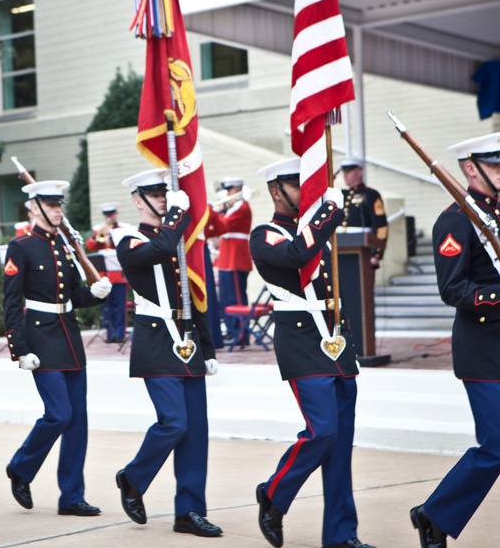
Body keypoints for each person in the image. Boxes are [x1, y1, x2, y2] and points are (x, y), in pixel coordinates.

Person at [409, 132, 500, 548]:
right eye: (493, 164)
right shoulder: (454, 220)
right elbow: (452, 289)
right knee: (497, 448)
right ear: (470, 169)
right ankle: (434, 513)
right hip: (484, 352)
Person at [248, 159, 373, 548]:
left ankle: (340, 534)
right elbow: (295, 255)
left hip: (335, 343)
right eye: (298, 186)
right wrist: (328, 213)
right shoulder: (264, 234)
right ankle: (273, 491)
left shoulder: (318, 230)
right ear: (276, 191)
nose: (310, 194)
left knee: (341, 446)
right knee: (323, 431)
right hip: (302, 342)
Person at [113, 168, 222, 538]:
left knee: (196, 433)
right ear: (137, 200)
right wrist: (177, 214)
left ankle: (189, 511)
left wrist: (207, 348)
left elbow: (194, 296)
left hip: (188, 341)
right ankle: (133, 476)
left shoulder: (179, 240)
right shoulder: (127, 239)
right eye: (154, 194)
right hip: (157, 341)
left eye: (165, 193)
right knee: (173, 422)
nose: (162, 198)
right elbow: (157, 249)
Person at [3, 180, 112, 516]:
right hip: (40, 339)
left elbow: (70, 295)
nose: (58, 210)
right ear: (33, 208)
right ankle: (21, 467)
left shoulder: (65, 245)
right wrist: (19, 349)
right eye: (51, 205)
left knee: (77, 420)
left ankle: (71, 496)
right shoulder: (20, 246)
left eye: (59, 204)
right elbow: (10, 301)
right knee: (59, 414)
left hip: (69, 339)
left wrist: (94, 293)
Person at [205, 177, 254, 340]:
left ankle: (240, 332)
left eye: (229, 190)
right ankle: (232, 329)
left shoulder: (242, 207)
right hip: (227, 258)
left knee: (236, 298)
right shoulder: (233, 207)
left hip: (236, 258)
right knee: (226, 298)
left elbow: (224, 224)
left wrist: (217, 211)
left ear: (236, 190)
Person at [86, 202, 130, 342]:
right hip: (104, 277)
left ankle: (120, 334)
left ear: (116, 214)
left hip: (119, 276)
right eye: (106, 215)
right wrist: (99, 235)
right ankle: (110, 334)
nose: (109, 217)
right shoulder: (99, 229)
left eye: (111, 214)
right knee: (107, 307)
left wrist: (113, 236)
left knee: (121, 308)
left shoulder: (123, 229)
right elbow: (90, 246)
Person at [338, 157, 388, 268]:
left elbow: (380, 226)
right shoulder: (341, 195)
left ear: (360, 172)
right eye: (344, 172)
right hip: (341, 249)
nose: (345, 175)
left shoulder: (370, 194)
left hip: (364, 249)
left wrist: (376, 253)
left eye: (349, 172)